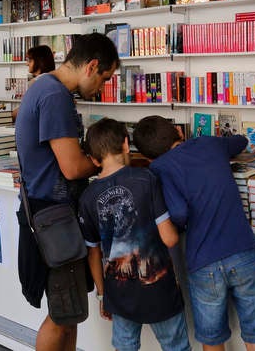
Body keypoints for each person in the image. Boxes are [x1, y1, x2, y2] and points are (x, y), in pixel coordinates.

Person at [133, 116, 255, 351]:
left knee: (212, 338)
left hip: (203, 262)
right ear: (178, 133)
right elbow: (240, 141)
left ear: (148, 156)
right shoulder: (209, 143)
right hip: (243, 250)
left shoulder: (158, 168)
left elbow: (179, 213)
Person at [15, 32, 119, 351]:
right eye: (104, 79)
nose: (102, 88)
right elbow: (72, 168)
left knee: (70, 310)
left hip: (50, 214)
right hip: (53, 219)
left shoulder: (46, 88)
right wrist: (109, 162)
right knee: (62, 314)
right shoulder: (55, 96)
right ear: (90, 66)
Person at [78, 118, 190, 351]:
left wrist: (102, 294)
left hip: (119, 294)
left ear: (94, 159)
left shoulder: (87, 198)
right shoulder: (146, 179)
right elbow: (169, 238)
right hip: (159, 287)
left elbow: (93, 253)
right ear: (127, 144)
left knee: (125, 347)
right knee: (176, 346)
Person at [12, 45, 56, 119]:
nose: (27, 64)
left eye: (30, 61)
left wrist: (8, 116)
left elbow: (26, 110)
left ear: (39, 61)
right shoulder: (55, 80)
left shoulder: (35, 83)